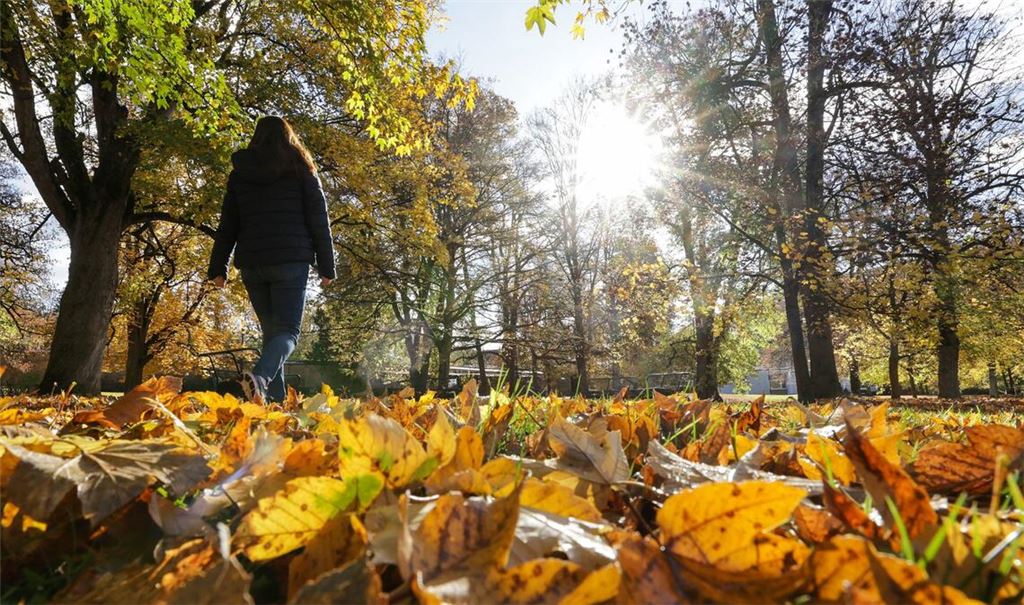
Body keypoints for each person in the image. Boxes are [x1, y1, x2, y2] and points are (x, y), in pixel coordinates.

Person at [206, 116, 335, 402]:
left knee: (272, 337)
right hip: (291, 262)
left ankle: (272, 403)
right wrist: (327, 265)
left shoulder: (241, 174)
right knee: (287, 333)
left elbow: (228, 223)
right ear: (288, 138)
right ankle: (261, 378)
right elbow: (319, 221)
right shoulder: (301, 170)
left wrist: (218, 267)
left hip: (253, 263)